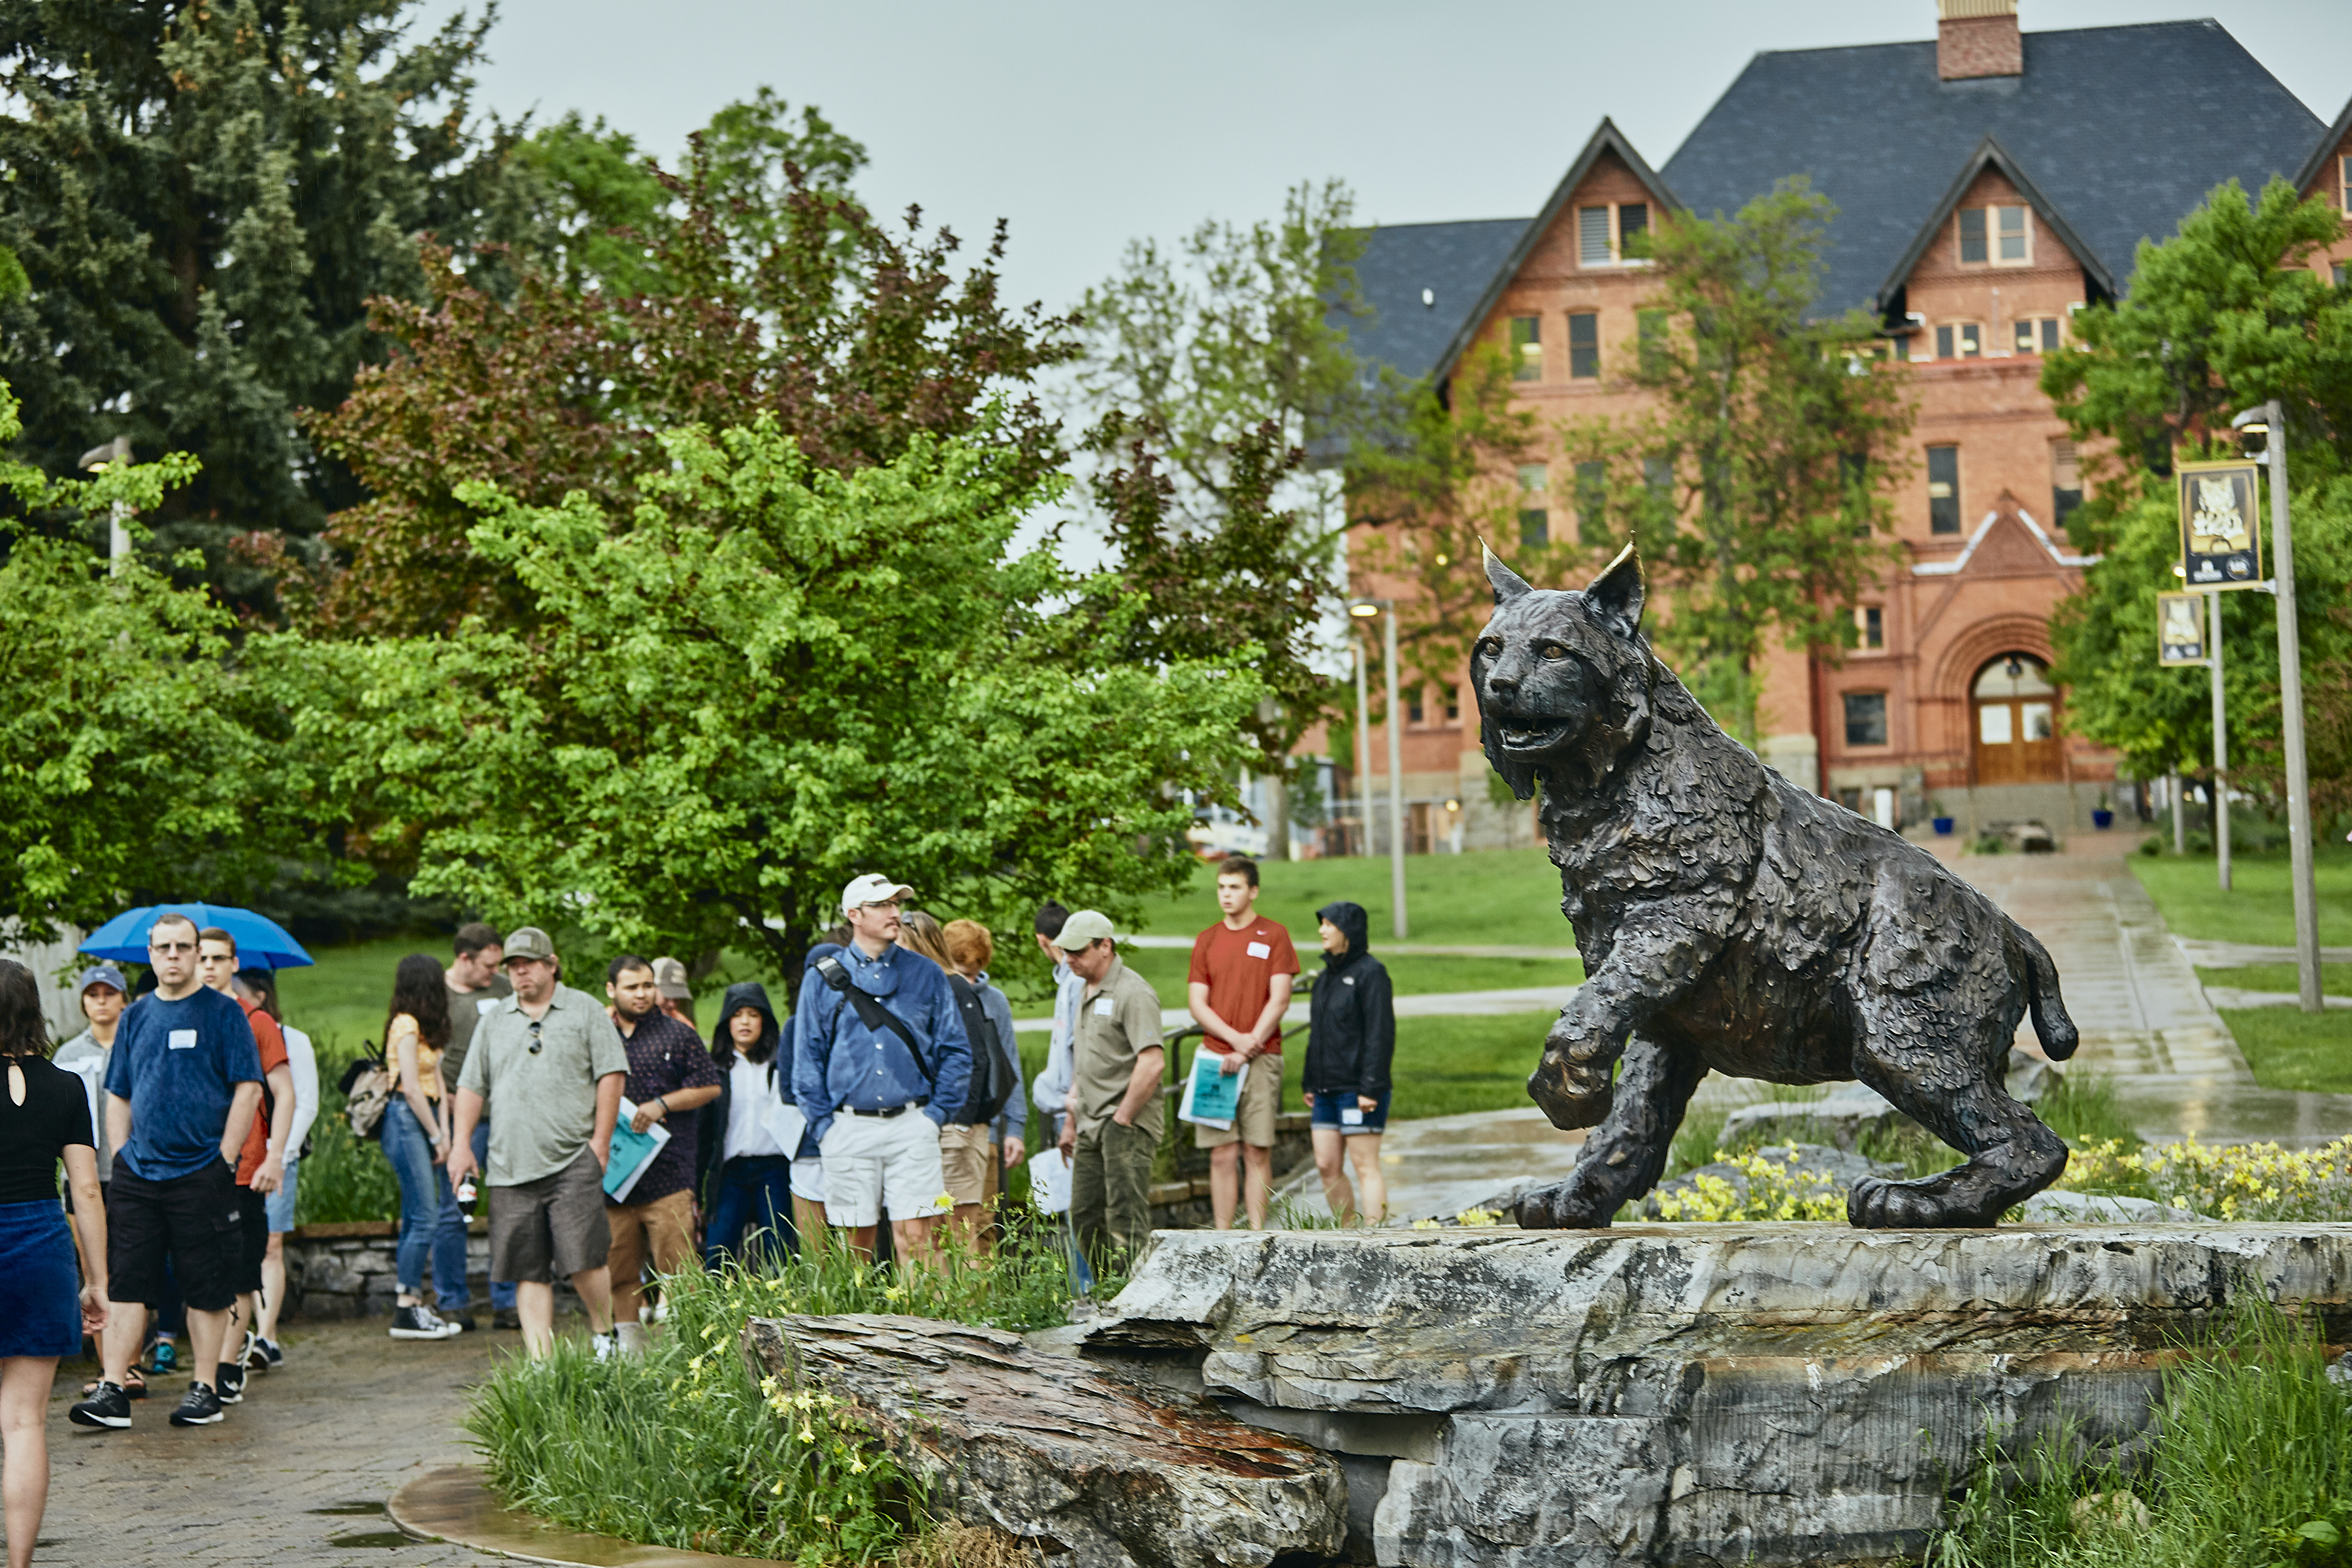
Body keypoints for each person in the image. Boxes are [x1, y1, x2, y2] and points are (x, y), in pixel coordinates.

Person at [72, 911, 263, 1431]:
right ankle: (113, 1388)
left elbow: (249, 1086)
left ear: (198, 953)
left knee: (205, 1285)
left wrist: (225, 1156)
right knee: (127, 1282)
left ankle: (203, 1389)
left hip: (202, 1172)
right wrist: (122, 1152)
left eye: (184, 948)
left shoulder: (224, 1014)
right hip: (139, 1174)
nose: (174, 956)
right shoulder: (135, 1017)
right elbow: (118, 1094)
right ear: (151, 954)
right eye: (164, 948)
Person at [445, 926, 627, 1360]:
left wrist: (600, 1143)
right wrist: (460, 1145)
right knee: (526, 1267)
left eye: (529, 964)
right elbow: (471, 1086)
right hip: (510, 1164)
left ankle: (605, 1336)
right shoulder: (494, 1020)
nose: (520, 972)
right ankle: (542, 1362)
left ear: (551, 963)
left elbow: (612, 1076)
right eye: (513, 966)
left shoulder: (584, 1010)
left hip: (572, 1158)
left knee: (585, 1258)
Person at [793, 874, 970, 1268]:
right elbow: (807, 1059)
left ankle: (921, 1330)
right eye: (884, 906)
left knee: (918, 1243)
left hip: (913, 1123)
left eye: (898, 904)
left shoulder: (926, 974)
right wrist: (825, 1127)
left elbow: (956, 1050)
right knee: (855, 1247)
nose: (896, 913)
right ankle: (856, 1332)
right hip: (848, 1126)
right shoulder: (821, 978)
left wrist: (936, 1117)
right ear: (854, 915)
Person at [0, 958, 108, 1568]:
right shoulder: (67, 1086)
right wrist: (97, 1282)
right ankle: (19, 1564)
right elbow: (86, 1192)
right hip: (41, 1245)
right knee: (23, 1425)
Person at [602, 956, 721, 1354]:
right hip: (614, 1178)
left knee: (681, 1273)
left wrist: (662, 1104)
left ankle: (690, 1355)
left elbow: (709, 1087)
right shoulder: (598, 1034)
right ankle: (631, 1356)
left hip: (669, 1175)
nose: (642, 994)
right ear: (611, 990)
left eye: (647, 986)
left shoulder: (678, 1034)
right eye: (632, 987)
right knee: (618, 1272)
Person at [195, 927, 294, 1403]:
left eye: (219, 958)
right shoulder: (180, 1018)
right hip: (190, 1169)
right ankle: (205, 1366)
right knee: (201, 1271)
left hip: (245, 1169)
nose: (209, 966)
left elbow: (286, 1093)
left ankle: (225, 1364)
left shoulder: (256, 1022)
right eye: (203, 958)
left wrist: (275, 1156)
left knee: (239, 1270)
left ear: (235, 964)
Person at [1185, 857, 1299, 1230]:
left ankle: (1256, 1233)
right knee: (1221, 1153)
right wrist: (1234, 1042)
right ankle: (1222, 1236)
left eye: (1234, 887)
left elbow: (1280, 999)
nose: (1226, 895)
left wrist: (1248, 1047)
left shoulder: (1275, 935)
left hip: (1262, 1056)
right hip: (1216, 1060)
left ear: (1253, 891)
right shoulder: (1207, 939)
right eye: (1221, 887)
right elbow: (1197, 1003)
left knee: (1257, 1149)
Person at [1053, 910, 1164, 1270]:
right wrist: (1071, 1119)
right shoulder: (1083, 988)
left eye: (1078, 951)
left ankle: (1134, 1303)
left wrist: (1123, 1117)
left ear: (1105, 946)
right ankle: (1109, 1294)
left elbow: (1153, 1062)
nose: (1070, 959)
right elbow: (1084, 1060)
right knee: (1083, 1215)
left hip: (1124, 1122)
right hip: (1088, 1121)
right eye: (1066, 951)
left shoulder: (1133, 992)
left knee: (1125, 1218)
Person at [378, 955, 463, 1342]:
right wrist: (433, 1135)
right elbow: (410, 1087)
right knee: (425, 1215)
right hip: (405, 1118)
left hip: (425, 1118)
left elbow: (439, 1085)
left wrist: (445, 1132)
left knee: (416, 1215)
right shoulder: (406, 1024)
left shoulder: (427, 1028)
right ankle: (406, 1308)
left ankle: (411, 1303)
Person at [235, 968, 315, 1369]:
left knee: (271, 1245)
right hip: (237, 1159)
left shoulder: (290, 1039)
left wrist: (278, 1154)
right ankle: (242, 1332)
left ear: (261, 997)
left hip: (277, 1155)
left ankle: (267, 1335)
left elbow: (305, 1102)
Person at [434, 922, 513, 1330]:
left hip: (505, 1120)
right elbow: (420, 1056)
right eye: (487, 965)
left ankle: (508, 1301)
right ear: (464, 958)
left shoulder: (502, 990)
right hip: (461, 1122)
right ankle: (453, 1302)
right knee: (456, 1210)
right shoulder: (439, 994)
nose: (493, 972)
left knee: (508, 1208)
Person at [699, 982, 808, 1267]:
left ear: (765, 1021)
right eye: (737, 1015)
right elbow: (704, 1134)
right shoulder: (715, 1069)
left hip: (774, 1169)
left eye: (753, 1014)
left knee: (778, 1253)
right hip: (730, 1173)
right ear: (727, 1022)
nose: (745, 1022)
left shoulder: (781, 1065)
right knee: (718, 1253)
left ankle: (783, 1312)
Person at [1303, 901, 1396, 1226]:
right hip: (1326, 1090)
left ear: (1348, 931)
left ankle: (1376, 1238)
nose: (1322, 931)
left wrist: (1370, 1087)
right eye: (1322, 924)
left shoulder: (1372, 973)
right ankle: (1347, 1235)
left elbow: (1379, 1035)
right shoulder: (1325, 978)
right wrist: (1309, 1082)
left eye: (1329, 925)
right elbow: (1319, 1034)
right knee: (1326, 1165)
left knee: (1364, 1164)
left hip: (1359, 1089)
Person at [939, 918, 1028, 1252]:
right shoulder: (939, 997)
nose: (970, 980)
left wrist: (1015, 1127)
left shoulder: (995, 1001)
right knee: (944, 1227)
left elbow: (1009, 1065)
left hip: (986, 1128)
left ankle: (983, 1301)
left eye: (975, 973)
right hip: (945, 1127)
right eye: (962, 971)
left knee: (982, 1226)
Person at [1028, 903, 1091, 1291]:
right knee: (1073, 1202)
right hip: (1065, 1104)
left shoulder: (1073, 982)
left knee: (1079, 1204)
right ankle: (1083, 1284)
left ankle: (1086, 1287)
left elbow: (1078, 1051)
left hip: (1073, 1108)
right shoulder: (1067, 979)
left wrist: (1068, 1115)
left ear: (1041, 940)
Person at [651, 956, 698, 1032]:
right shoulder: (630, 1022)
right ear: (650, 988)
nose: (672, 1004)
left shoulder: (685, 1027)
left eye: (676, 999)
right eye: (667, 996)